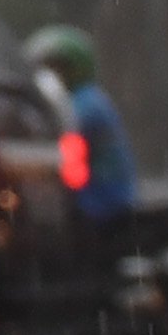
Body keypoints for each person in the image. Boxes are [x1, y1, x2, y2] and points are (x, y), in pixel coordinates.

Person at [30, 24, 140, 224]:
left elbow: (54, 133)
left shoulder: (86, 101)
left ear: (76, 67)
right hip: (94, 194)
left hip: (100, 197)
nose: (49, 76)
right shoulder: (77, 100)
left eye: (56, 68)